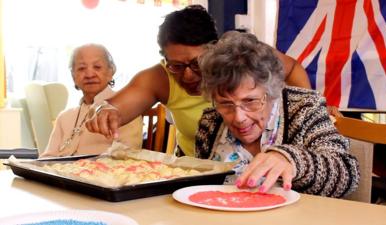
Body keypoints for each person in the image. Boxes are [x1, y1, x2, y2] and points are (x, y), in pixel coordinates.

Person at [85, 5, 311, 157]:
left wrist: (307, 109)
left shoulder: (243, 60)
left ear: (215, 50)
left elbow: (292, 68)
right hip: (200, 169)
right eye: (176, 65)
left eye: (197, 63)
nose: (188, 75)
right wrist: (104, 111)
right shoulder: (160, 79)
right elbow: (114, 107)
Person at [195, 31, 360, 197]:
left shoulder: (304, 108)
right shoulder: (210, 122)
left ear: (271, 91)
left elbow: (347, 172)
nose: (239, 117)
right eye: (225, 103)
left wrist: (290, 159)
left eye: (250, 101)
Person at [40, 44, 143, 158]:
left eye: (97, 67)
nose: (89, 74)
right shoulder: (64, 117)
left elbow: (127, 157)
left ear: (111, 71)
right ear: (73, 76)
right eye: (81, 68)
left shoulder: (126, 109)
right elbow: (46, 159)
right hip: (59, 174)